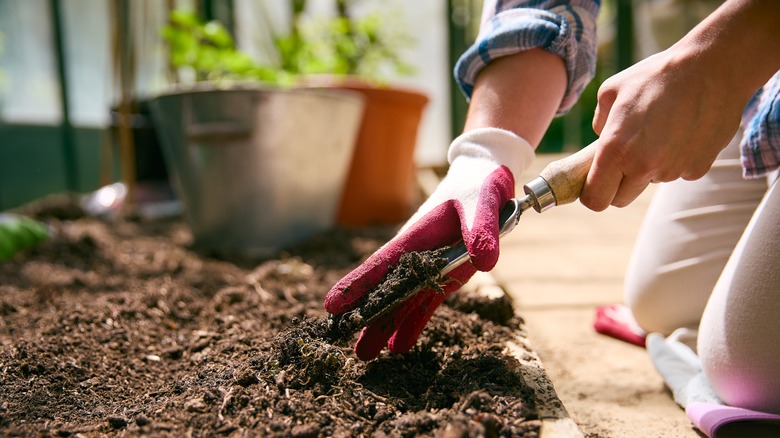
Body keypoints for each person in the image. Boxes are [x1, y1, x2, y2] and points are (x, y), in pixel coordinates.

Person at [325, 0, 780, 431]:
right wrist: (484, 154)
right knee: (662, 301)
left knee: (748, 372)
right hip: (764, 89)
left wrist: (719, 61)